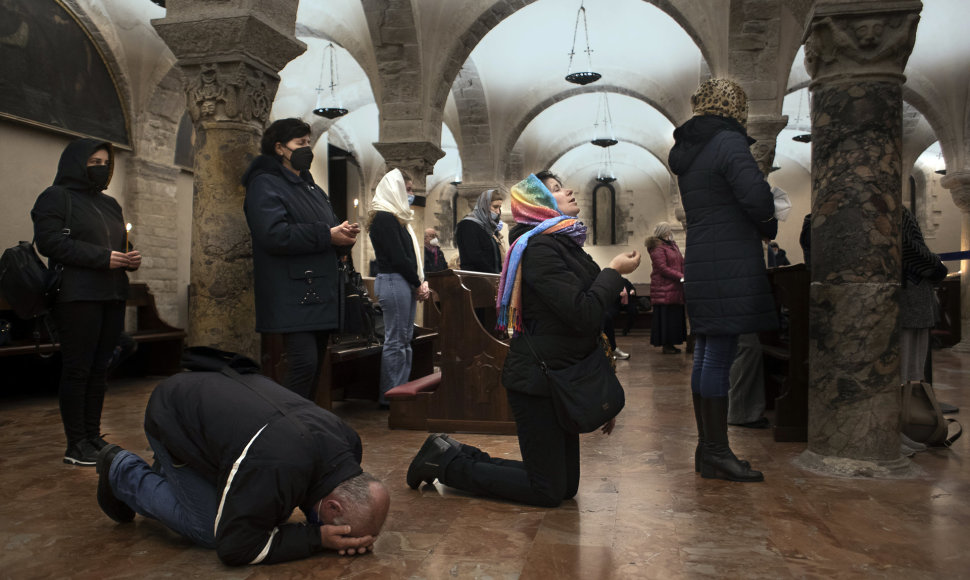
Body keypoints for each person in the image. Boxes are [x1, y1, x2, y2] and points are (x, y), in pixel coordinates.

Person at [404, 171, 641, 507]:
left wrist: (597, 384)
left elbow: (590, 315)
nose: (569, 190)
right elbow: (584, 312)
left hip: (563, 375)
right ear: (538, 203)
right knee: (547, 490)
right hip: (538, 380)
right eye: (556, 190)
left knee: (564, 487)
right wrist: (614, 273)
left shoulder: (565, 244)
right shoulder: (540, 249)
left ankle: (453, 453)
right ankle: (445, 463)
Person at [94, 366, 389, 566]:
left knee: (265, 509)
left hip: (216, 409)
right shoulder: (277, 465)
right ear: (334, 507)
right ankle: (121, 469)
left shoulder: (349, 445)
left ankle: (170, 475)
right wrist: (317, 538)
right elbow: (235, 546)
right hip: (172, 416)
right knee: (212, 530)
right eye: (347, 531)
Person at [668, 78, 777, 483]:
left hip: (703, 257)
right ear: (735, 107)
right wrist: (768, 223)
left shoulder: (691, 150)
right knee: (719, 352)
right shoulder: (728, 142)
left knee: (710, 351)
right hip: (730, 257)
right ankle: (714, 450)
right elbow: (756, 197)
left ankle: (708, 450)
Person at [31, 138, 141, 466]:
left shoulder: (110, 205)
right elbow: (49, 243)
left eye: (105, 162)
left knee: (99, 370)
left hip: (112, 293)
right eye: (94, 161)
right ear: (76, 162)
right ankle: (75, 444)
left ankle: (93, 437)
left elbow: (119, 241)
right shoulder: (55, 197)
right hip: (77, 295)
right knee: (78, 370)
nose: (102, 167)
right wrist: (102, 258)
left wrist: (130, 256)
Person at [243, 118, 359, 400]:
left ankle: (301, 426)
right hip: (292, 291)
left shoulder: (311, 188)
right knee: (303, 364)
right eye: (300, 144)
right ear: (280, 148)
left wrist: (342, 237)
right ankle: (282, 427)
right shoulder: (265, 185)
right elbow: (273, 234)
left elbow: (326, 229)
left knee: (315, 366)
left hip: (318, 291)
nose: (307, 149)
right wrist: (327, 235)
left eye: (308, 143)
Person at [368, 169, 431, 407]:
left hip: (402, 281)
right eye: (409, 189)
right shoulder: (384, 217)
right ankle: (390, 395)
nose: (412, 194)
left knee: (405, 339)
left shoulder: (397, 218)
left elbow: (408, 258)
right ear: (395, 189)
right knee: (396, 340)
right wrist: (418, 283)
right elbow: (398, 257)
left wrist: (417, 282)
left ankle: (401, 390)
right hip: (394, 280)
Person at [899, 206, 953, 453]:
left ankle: (903, 428)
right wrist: (937, 267)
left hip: (913, 294)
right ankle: (897, 429)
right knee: (903, 368)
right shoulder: (893, 209)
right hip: (908, 292)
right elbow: (908, 248)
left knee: (911, 370)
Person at [646, 222, 687, 354]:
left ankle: (672, 344)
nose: (670, 233)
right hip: (664, 288)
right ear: (663, 232)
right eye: (668, 230)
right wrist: (680, 276)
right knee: (666, 318)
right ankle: (666, 345)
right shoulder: (657, 247)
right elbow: (662, 268)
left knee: (674, 318)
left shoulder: (672, 245)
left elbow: (680, 261)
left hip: (675, 287)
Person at [455, 189, 505, 273]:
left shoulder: (488, 227)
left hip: (491, 277)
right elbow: (474, 256)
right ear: (484, 205)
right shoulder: (468, 225)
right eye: (495, 207)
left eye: (499, 207)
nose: (498, 211)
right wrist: (493, 273)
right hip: (476, 278)